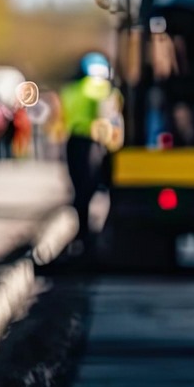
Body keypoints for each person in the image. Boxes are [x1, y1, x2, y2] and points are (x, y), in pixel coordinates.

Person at [59, 52, 123, 251]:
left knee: (79, 190)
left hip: (74, 141)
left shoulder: (70, 91)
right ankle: (95, 235)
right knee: (95, 187)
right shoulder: (103, 90)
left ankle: (82, 233)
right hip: (94, 143)